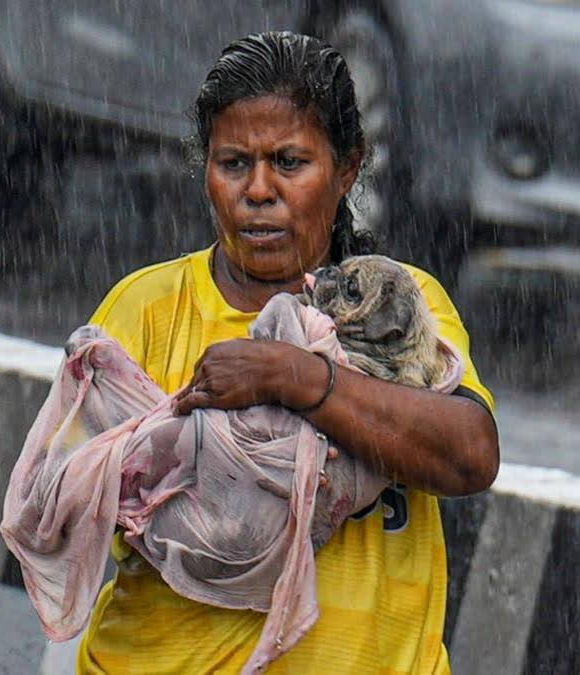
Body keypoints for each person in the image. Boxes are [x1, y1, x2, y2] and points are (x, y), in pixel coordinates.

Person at [77, 31, 499, 674]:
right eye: (234, 163)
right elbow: (66, 509)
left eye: (290, 162)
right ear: (206, 168)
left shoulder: (396, 304)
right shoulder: (145, 311)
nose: (259, 190)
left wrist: (299, 380)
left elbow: (469, 455)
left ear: (348, 167)